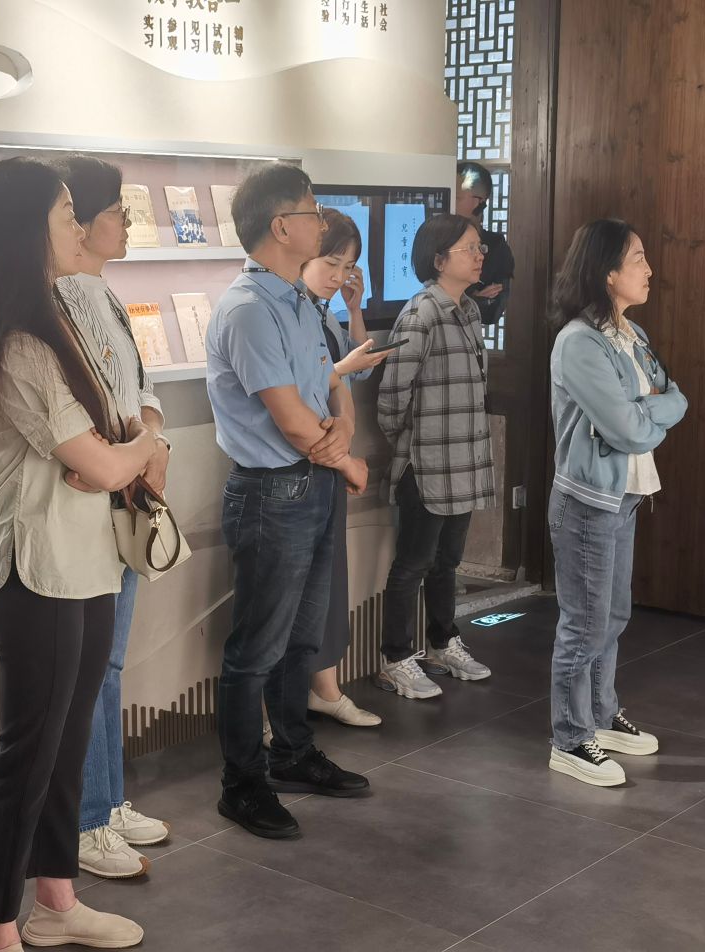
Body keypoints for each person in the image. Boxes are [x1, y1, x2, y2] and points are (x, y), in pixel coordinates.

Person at [0, 156, 151, 952]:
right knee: (29, 753)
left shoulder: (63, 316)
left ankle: (57, 901)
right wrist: (133, 453)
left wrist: (126, 450)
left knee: (67, 746)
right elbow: (102, 460)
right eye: (67, 212)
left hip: (87, 557)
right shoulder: (17, 342)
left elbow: (117, 436)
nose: (81, 225)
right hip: (34, 568)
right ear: (24, 229)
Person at [206, 162, 374, 841]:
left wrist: (344, 428)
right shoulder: (249, 308)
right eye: (311, 210)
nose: (321, 220)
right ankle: (242, 784)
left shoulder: (299, 300)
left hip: (312, 484)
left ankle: (293, 753)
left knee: (302, 638)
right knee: (256, 649)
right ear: (282, 226)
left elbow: (330, 386)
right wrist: (347, 459)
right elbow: (293, 422)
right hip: (273, 493)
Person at [52, 154, 175, 881]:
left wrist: (153, 440)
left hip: (121, 492)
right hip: (89, 501)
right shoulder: (56, 301)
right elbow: (85, 418)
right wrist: (139, 450)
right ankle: (87, 817)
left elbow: (142, 389)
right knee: (88, 669)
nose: (124, 222)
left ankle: (106, 800)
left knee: (110, 663)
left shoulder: (103, 293)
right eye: (112, 211)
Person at [544, 219, 683, 788]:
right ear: (607, 273)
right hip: (587, 501)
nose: (649, 269)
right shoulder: (579, 342)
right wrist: (649, 412)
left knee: (614, 615)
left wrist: (648, 410)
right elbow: (629, 429)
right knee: (584, 624)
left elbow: (678, 398)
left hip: (626, 496)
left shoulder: (632, 334)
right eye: (638, 258)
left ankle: (601, 715)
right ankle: (570, 738)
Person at [374, 214, 498, 700]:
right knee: (413, 564)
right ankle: (396, 658)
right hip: (426, 464)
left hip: (463, 459)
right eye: (470, 248)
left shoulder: (469, 310)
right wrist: (412, 444)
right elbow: (392, 397)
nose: (480, 255)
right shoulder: (421, 313)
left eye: (479, 247)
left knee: (448, 561)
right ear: (439, 259)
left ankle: (443, 643)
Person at [297, 206, 390, 729]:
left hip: (330, 459)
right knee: (291, 593)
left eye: (347, 266)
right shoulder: (284, 309)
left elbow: (350, 372)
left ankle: (325, 689)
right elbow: (300, 388)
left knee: (330, 581)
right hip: (303, 461)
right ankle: (281, 705)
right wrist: (343, 370)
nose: (338, 276)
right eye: (331, 263)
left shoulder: (324, 310)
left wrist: (354, 311)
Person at [455, 161, 515, 327]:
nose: (450, 200)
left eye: (457, 197)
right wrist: (474, 297)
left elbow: (491, 312)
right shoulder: (436, 238)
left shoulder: (496, 246)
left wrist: (472, 300)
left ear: (478, 202)